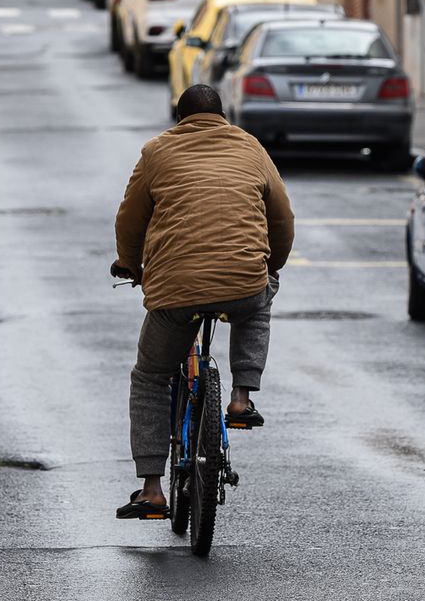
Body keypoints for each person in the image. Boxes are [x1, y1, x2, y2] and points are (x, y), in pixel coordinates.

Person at [110, 84, 294, 520]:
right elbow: (282, 217)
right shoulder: (250, 147)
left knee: (151, 377)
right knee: (258, 301)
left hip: (175, 289)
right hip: (243, 282)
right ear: (223, 116)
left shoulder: (157, 151)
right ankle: (241, 397)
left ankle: (152, 489)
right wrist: (270, 266)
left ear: (180, 119)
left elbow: (130, 219)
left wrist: (129, 264)